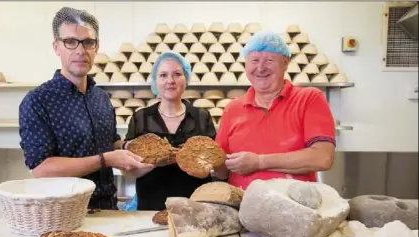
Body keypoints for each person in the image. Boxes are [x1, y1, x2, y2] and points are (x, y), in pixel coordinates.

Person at [18, 7, 151, 210]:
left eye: (88, 42)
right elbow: (41, 170)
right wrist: (104, 160)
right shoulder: (38, 100)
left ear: (96, 47)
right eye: (70, 42)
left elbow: (111, 142)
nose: (80, 50)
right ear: (56, 47)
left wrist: (130, 149)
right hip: (63, 215)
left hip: (107, 209)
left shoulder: (101, 98)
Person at [214, 30, 336, 190]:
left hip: (295, 207)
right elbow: (221, 170)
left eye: (269, 60)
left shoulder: (308, 99)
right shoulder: (233, 109)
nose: (260, 68)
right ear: (246, 65)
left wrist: (259, 162)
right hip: (243, 208)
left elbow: (322, 157)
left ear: (285, 62)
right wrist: (207, 164)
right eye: (254, 60)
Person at [122, 51, 217, 211]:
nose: (170, 81)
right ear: (155, 81)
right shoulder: (141, 118)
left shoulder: (201, 117)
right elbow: (130, 171)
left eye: (177, 74)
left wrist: (188, 161)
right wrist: (157, 160)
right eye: (163, 75)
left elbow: (211, 166)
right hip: (151, 205)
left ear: (186, 78)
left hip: (195, 207)